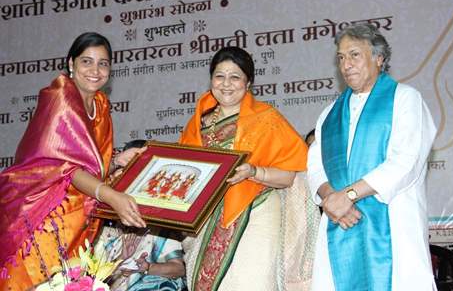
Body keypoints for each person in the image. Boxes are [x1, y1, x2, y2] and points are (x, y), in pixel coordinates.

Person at [0, 32, 146, 291]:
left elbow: (90, 164)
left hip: (80, 217)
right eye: (86, 62)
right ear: (71, 64)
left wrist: (115, 162)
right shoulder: (61, 98)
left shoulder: (100, 104)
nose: (95, 70)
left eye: (103, 63)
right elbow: (67, 168)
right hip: (45, 215)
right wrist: (111, 196)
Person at [307, 23, 437, 291]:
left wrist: (348, 196)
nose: (346, 64)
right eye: (341, 58)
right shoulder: (329, 114)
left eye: (354, 55)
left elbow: (406, 162)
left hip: (394, 222)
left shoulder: (405, 99)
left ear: (379, 58)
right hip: (339, 222)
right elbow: (315, 166)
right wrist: (333, 200)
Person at [179, 46, 309, 291]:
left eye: (235, 77)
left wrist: (254, 172)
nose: (226, 83)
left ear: (248, 83)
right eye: (219, 76)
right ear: (211, 79)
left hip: (255, 213)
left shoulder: (266, 119)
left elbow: (289, 176)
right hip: (206, 222)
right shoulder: (198, 123)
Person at [100, 139, 187, 291]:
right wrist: (120, 262)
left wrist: (146, 267)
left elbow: (178, 269)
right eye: (124, 171)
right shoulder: (103, 224)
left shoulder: (158, 223)